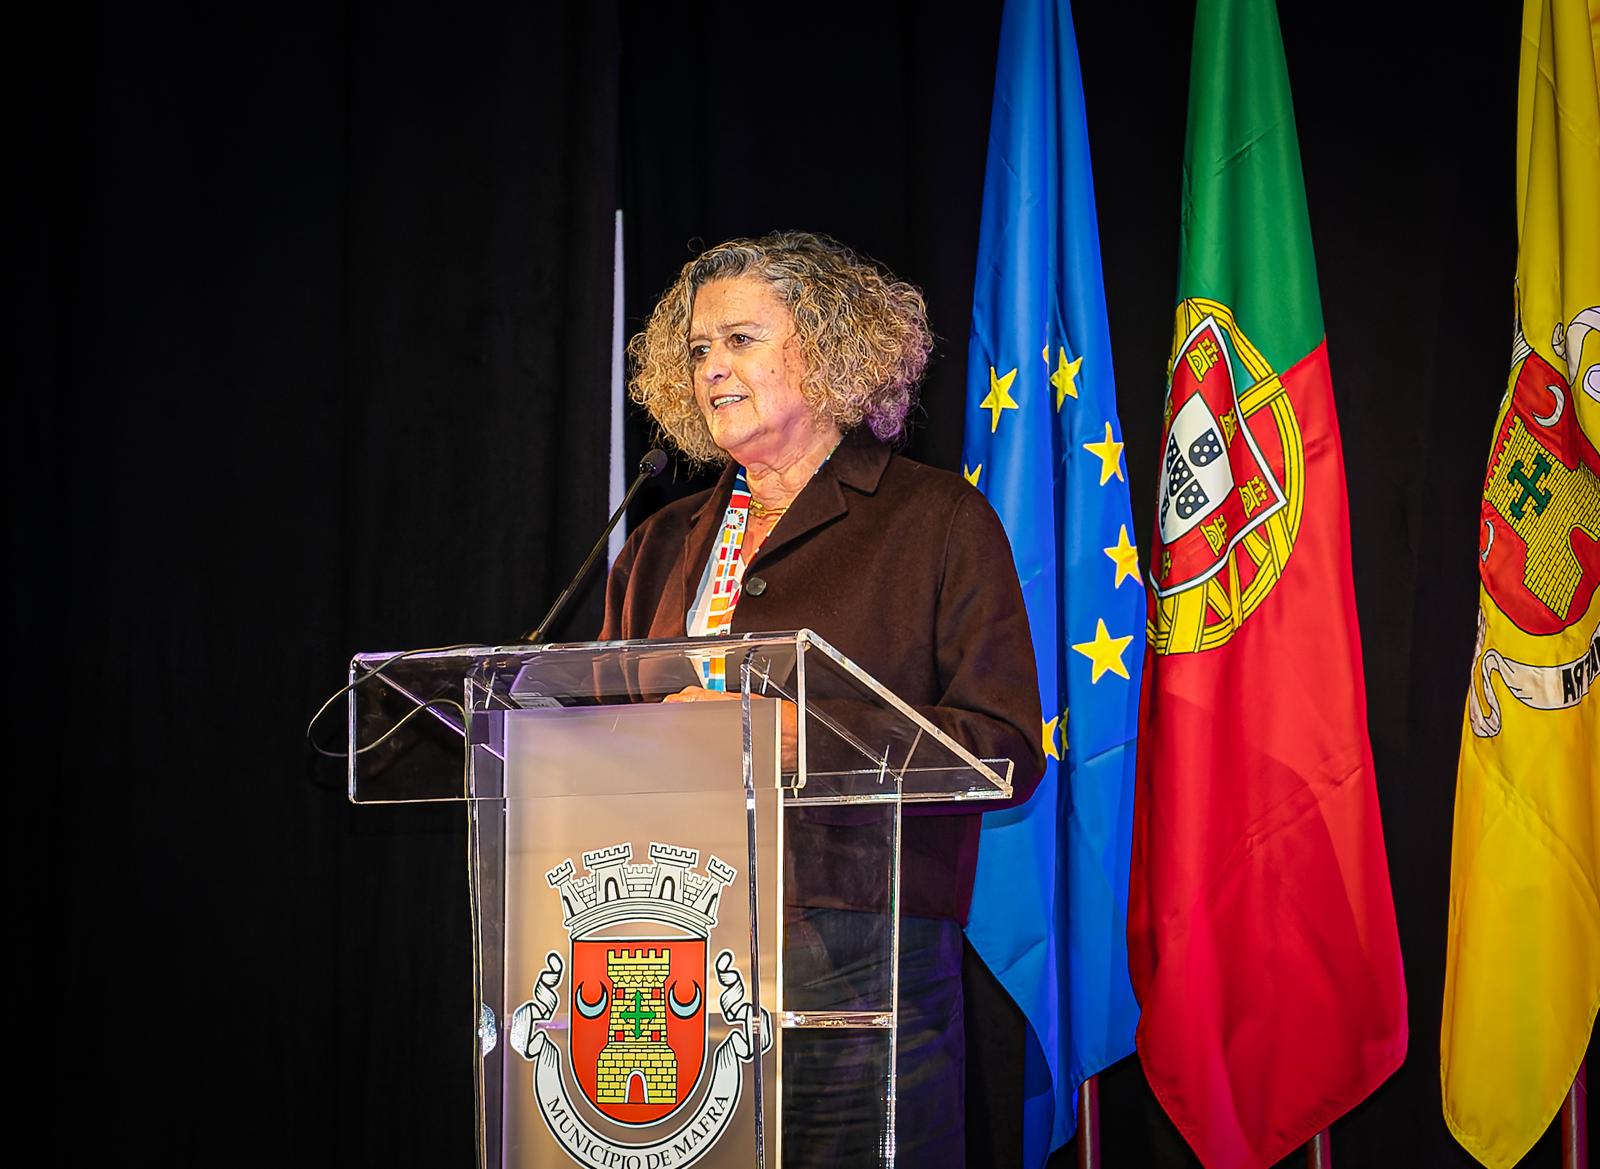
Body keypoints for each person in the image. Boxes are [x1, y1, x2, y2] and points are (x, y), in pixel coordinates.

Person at [601, 231, 1044, 1167]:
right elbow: (598, 734)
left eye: (740, 340)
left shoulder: (935, 520)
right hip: (668, 949)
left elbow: (1003, 747)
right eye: (697, 348)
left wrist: (808, 740)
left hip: (861, 955)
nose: (711, 367)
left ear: (832, 349)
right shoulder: (658, 543)